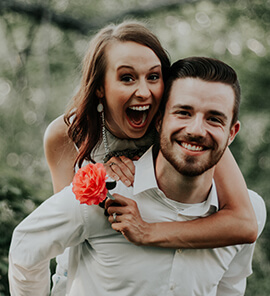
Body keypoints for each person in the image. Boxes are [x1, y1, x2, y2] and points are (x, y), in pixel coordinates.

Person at [9, 57, 266, 295]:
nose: (196, 130)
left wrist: (148, 231)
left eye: (214, 119)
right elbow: (26, 248)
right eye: (183, 112)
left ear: (232, 133)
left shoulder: (250, 209)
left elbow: (229, 287)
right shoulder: (104, 195)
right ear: (158, 120)